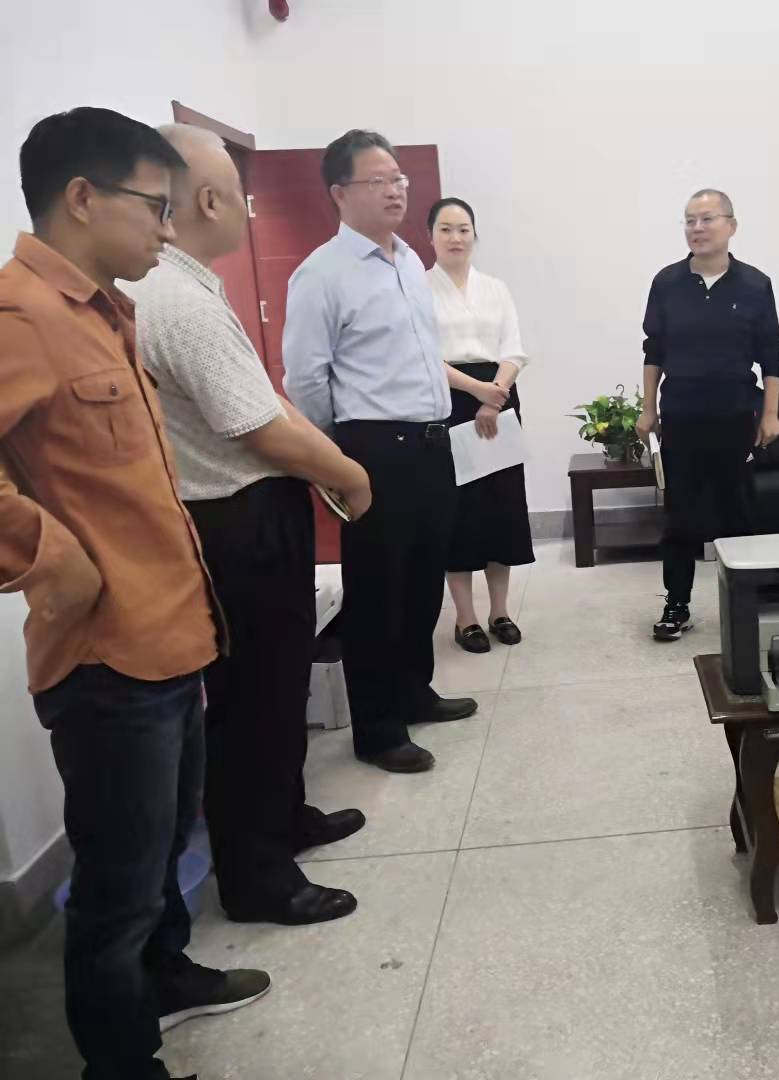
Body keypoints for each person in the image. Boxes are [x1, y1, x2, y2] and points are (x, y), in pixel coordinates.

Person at [0, 107, 268, 1080]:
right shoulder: (20, 317)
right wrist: (48, 554)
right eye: (154, 207)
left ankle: (169, 973)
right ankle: (123, 1064)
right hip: (107, 658)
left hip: (169, 634)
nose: (167, 226)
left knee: (158, 857)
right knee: (113, 893)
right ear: (82, 197)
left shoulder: (108, 313)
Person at [129, 124, 370, 927]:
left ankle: (284, 817)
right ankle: (259, 876)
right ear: (209, 200)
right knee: (254, 701)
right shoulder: (174, 299)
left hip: (251, 511)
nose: (249, 207)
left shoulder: (188, 286)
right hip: (238, 519)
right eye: (241, 193)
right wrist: (349, 474)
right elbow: (261, 427)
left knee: (279, 684)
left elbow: (262, 405)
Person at [283, 129, 476, 774]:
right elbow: (306, 379)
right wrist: (336, 458)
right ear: (339, 193)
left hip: (431, 442)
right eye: (378, 180)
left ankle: (414, 691)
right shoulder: (322, 274)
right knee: (377, 591)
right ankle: (377, 727)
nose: (395, 190)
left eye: (399, 178)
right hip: (373, 450)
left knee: (423, 578)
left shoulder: (409, 263)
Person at [636, 189, 779, 641]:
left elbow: (771, 355)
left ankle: (745, 604)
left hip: (735, 416)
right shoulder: (667, 282)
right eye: (690, 220)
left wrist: (771, 414)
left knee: (738, 515)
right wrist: (648, 409)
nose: (697, 229)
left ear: (731, 226)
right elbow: (654, 350)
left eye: (707, 219)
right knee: (679, 518)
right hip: (681, 417)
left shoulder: (755, 284)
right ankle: (676, 604)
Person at [425, 197, 534, 653]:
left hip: (500, 397)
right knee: (459, 512)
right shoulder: (418, 289)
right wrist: (478, 392)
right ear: (430, 236)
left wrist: (496, 394)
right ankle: (466, 618)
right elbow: (425, 355)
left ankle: (500, 611)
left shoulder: (496, 288)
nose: (456, 237)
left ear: (474, 235)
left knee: (501, 508)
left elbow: (514, 349)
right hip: (449, 401)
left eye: (463, 229)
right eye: (446, 229)